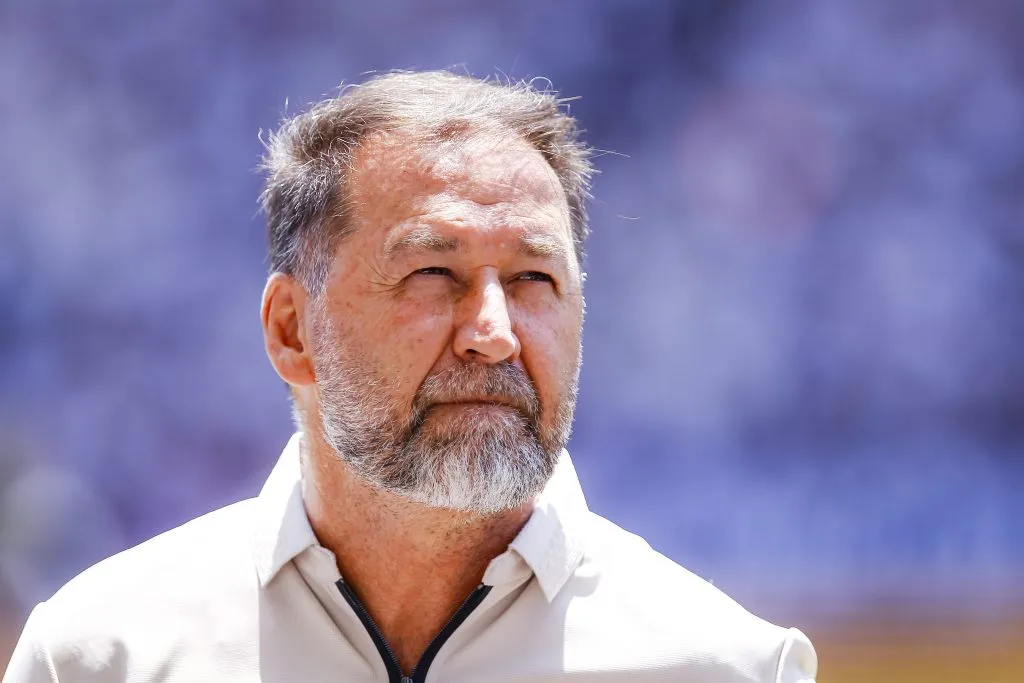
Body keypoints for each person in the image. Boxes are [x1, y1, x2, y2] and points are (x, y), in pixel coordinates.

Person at [3, 71, 817, 683]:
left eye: (535, 279)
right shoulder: (97, 655)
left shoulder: (729, 665)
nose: (494, 332)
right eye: (433, 272)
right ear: (293, 329)